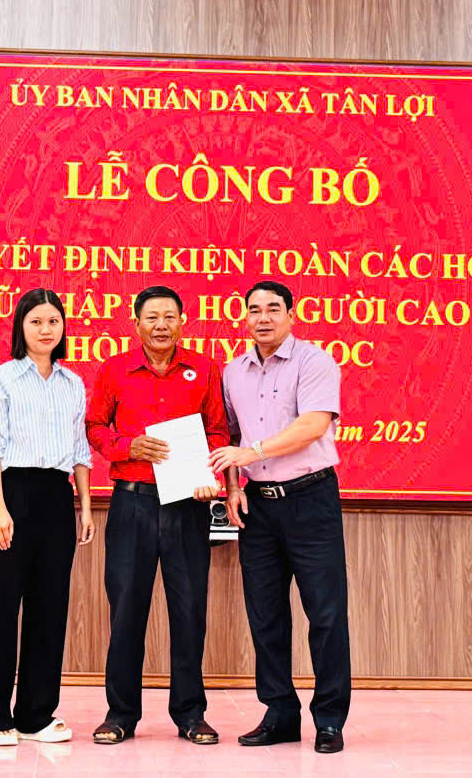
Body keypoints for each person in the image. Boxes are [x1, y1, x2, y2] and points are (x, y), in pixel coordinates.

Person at [208, 280, 351, 754]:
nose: (263, 317)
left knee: (325, 613)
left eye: (273, 308)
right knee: (265, 615)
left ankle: (329, 719)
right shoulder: (233, 372)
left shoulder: (315, 362)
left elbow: (313, 425)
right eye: (254, 310)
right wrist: (233, 487)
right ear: (244, 317)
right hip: (260, 506)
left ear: (291, 314)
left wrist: (252, 453)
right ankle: (280, 714)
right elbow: (228, 436)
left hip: (311, 499)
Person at [85, 285, 228, 745]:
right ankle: (120, 714)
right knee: (127, 610)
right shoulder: (114, 370)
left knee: (189, 609)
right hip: (133, 503)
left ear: (183, 321)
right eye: (152, 317)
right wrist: (127, 446)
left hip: (187, 504)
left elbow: (218, 431)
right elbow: (94, 427)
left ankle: (191, 714)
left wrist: (210, 475)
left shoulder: (205, 369)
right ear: (137, 324)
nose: (161, 325)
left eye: (169, 316)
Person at [0, 288, 95, 747]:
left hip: (57, 498)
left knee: (50, 609)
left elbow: (80, 450)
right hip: (12, 495)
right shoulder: (1, 379)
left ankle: (36, 715)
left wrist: (84, 506)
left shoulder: (72, 383)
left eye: (53, 321)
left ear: (63, 327)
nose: (46, 330)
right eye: (36, 321)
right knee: (1, 608)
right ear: (20, 327)